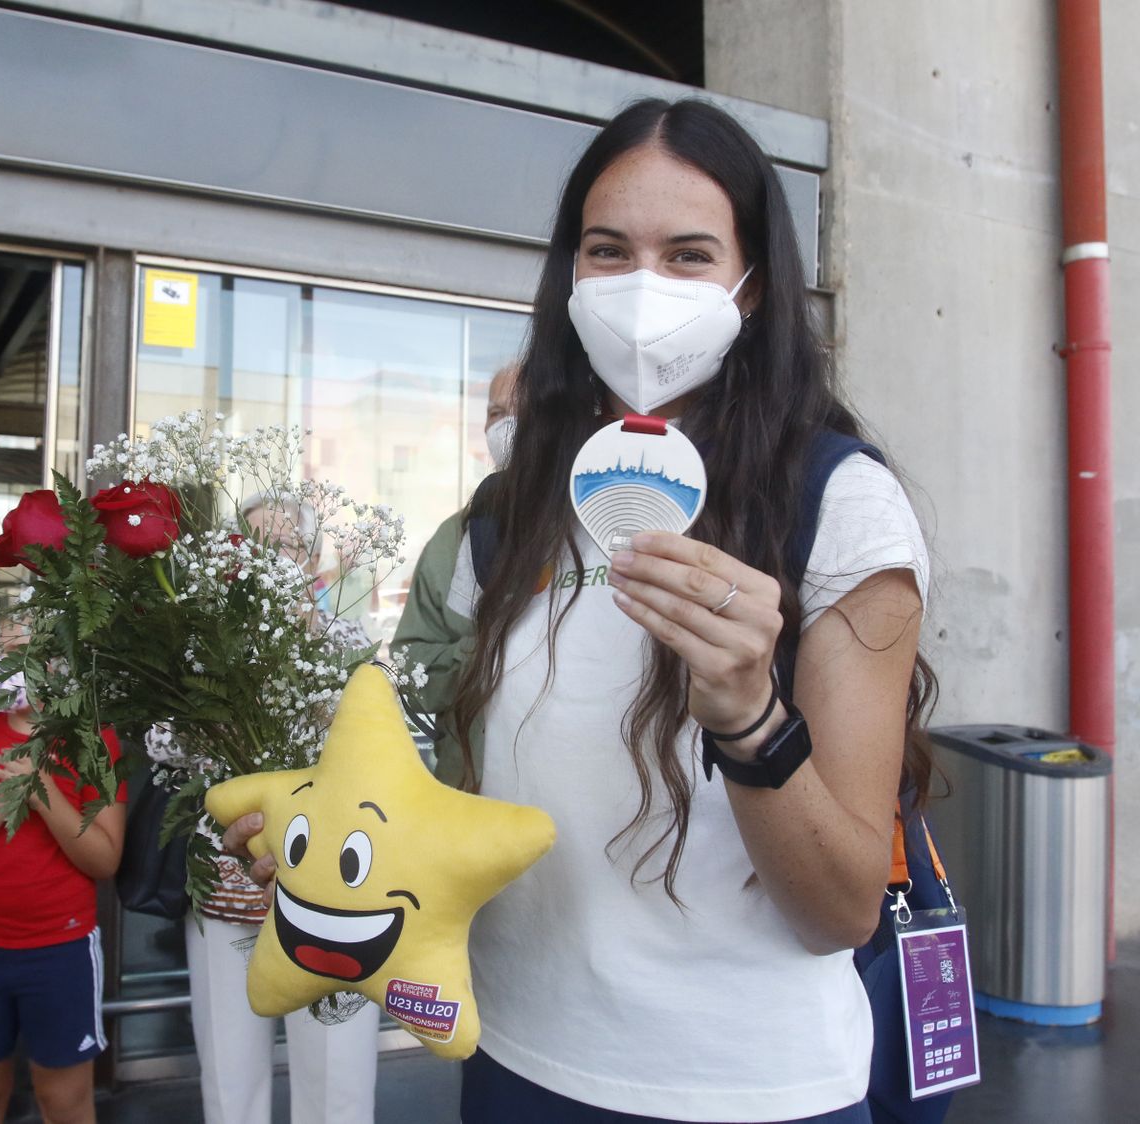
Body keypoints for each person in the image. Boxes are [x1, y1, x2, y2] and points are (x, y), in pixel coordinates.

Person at [225, 98, 934, 1124]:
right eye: (609, 251)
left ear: (755, 284)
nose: (642, 289)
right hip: (513, 1058)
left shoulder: (838, 506)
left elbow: (840, 907)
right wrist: (321, 838)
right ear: (568, 276)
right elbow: (450, 791)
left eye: (689, 254)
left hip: (750, 1088)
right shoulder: (504, 518)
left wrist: (747, 713)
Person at [182, 495, 379, 1124]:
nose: (271, 557)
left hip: (330, 901)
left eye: (286, 544)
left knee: (337, 1086)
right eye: (254, 542)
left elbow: (375, 759)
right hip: (228, 893)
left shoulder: (347, 641)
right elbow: (174, 750)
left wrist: (310, 641)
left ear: (311, 557)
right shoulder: (202, 642)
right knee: (229, 1085)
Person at [0, 633, 126, 1124]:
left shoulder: (95, 741)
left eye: (42, 651)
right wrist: (5, 800)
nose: (28, 666)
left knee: (64, 1102)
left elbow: (104, 859)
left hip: (61, 950)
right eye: (13, 652)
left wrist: (40, 793)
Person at [390, 363, 517, 787]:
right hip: (468, 786)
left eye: (528, 411)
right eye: (498, 413)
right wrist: (481, 654)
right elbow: (409, 670)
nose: (511, 425)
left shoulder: (591, 524)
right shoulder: (457, 536)